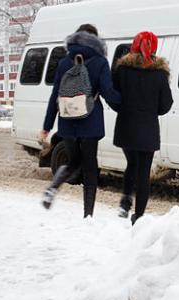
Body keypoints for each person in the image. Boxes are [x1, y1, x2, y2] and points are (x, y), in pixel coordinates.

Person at [40, 24, 121, 218]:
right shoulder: (100, 61)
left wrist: (47, 126)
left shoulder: (64, 62)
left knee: (73, 161)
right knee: (90, 167)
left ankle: (53, 187)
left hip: (67, 121)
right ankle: (88, 215)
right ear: (95, 39)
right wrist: (125, 106)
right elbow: (109, 93)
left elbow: (55, 96)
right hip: (90, 122)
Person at [111, 31, 173, 225]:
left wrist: (124, 108)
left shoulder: (122, 70)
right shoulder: (160, 74)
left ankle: (125, 202)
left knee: (132, 163)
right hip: (148, 130)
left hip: (126, 127)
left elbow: (114, 98)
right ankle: (138, 216)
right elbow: (166, 105)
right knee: (143, 172)